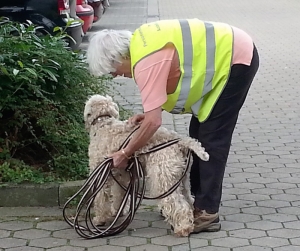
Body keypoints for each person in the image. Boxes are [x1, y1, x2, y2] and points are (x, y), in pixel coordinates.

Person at [86, 18, 259, 234]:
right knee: (197, 132)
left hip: (237, 59)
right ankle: (195, 200)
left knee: (213, 138)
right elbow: (166, 86)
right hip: (229, 53)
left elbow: (154, 122)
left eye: (113, 69)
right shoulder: (142, 45)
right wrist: (150, 113)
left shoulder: (146, 62)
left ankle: (207, 212)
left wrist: (125, 152)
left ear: (120, 56)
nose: (116, 75)